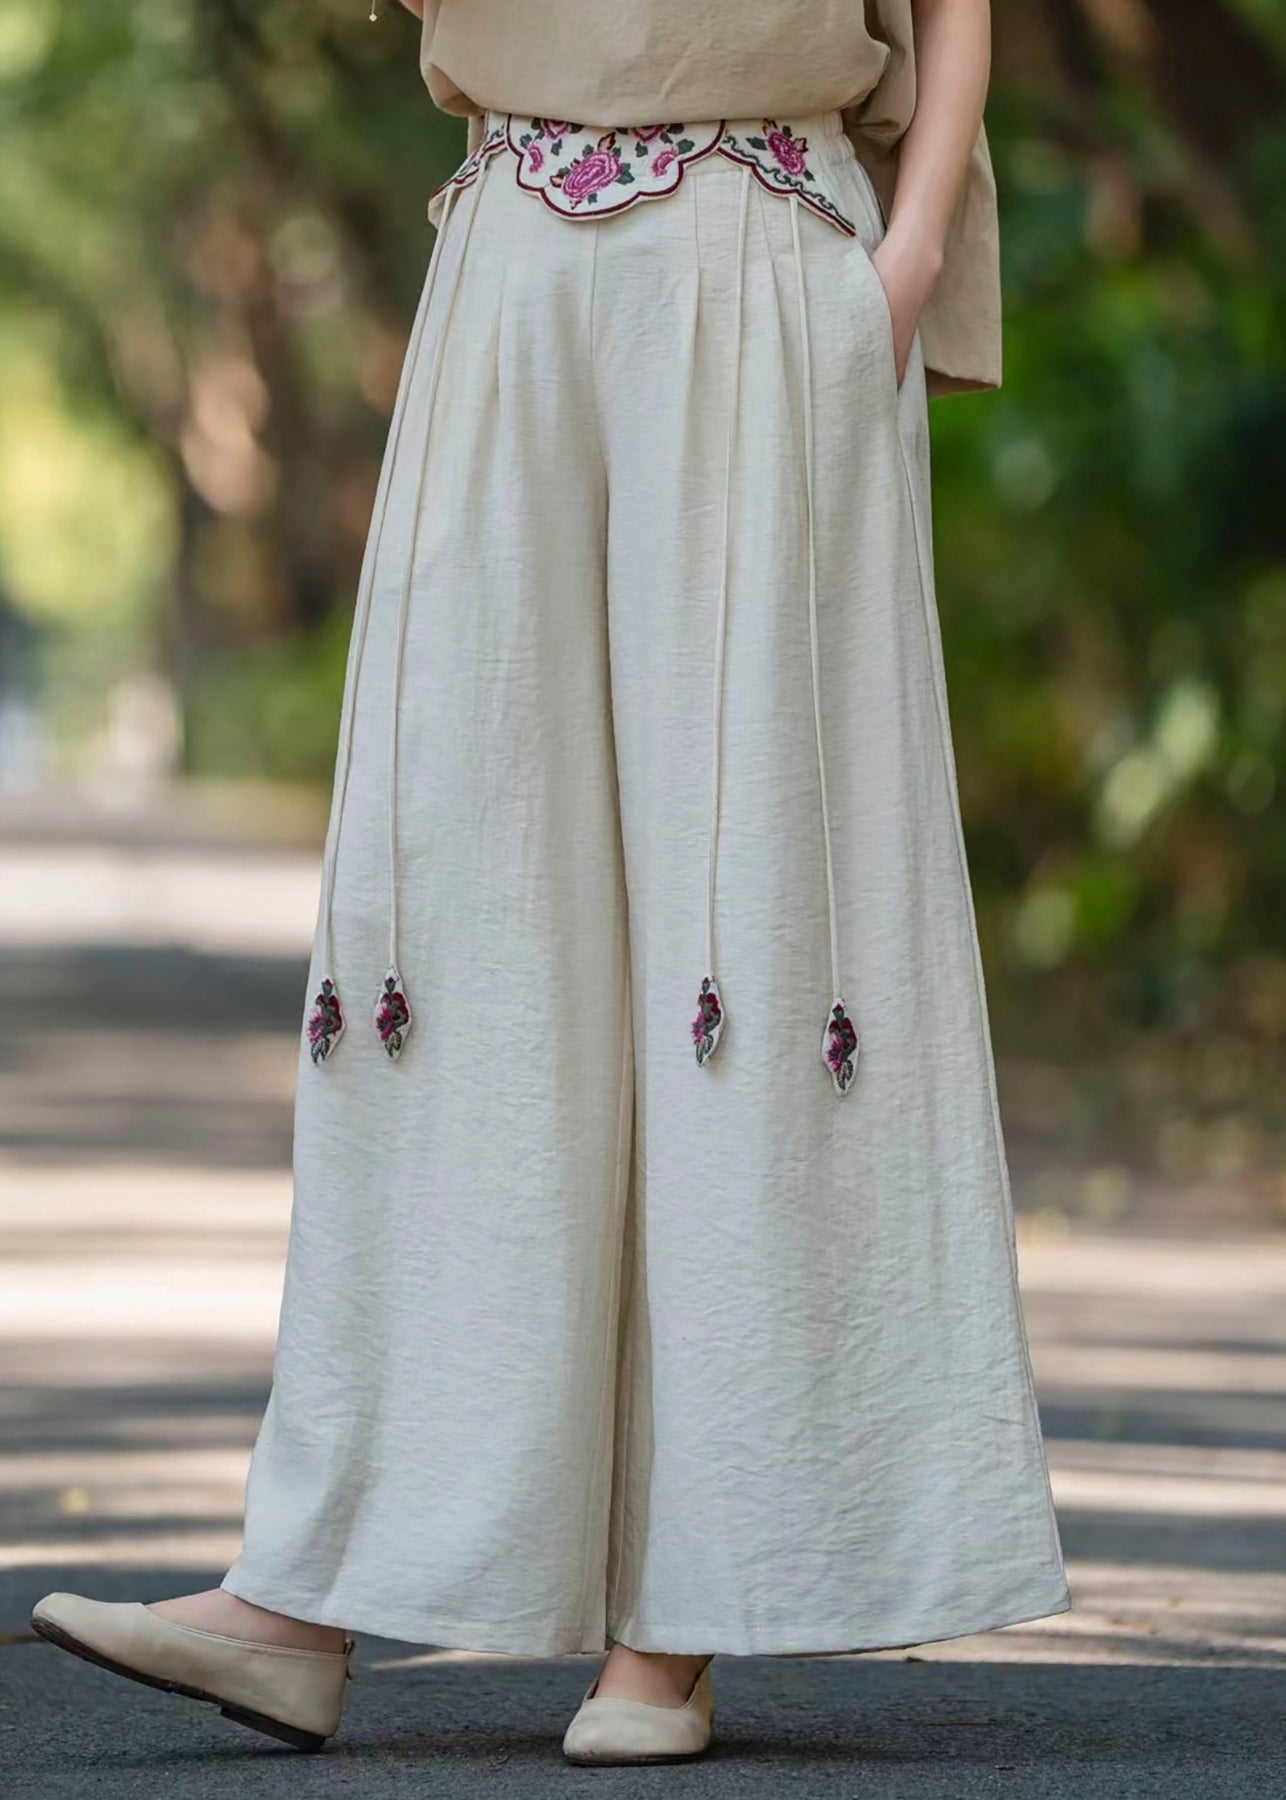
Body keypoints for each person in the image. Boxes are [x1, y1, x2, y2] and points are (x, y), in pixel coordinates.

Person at [33, 0, 1069, 1767]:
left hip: (763, 245)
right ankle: (310, 1585)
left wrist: (899, 273)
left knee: (749, 910)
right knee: (461, 925)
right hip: (508, 244)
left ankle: (680, 1619)